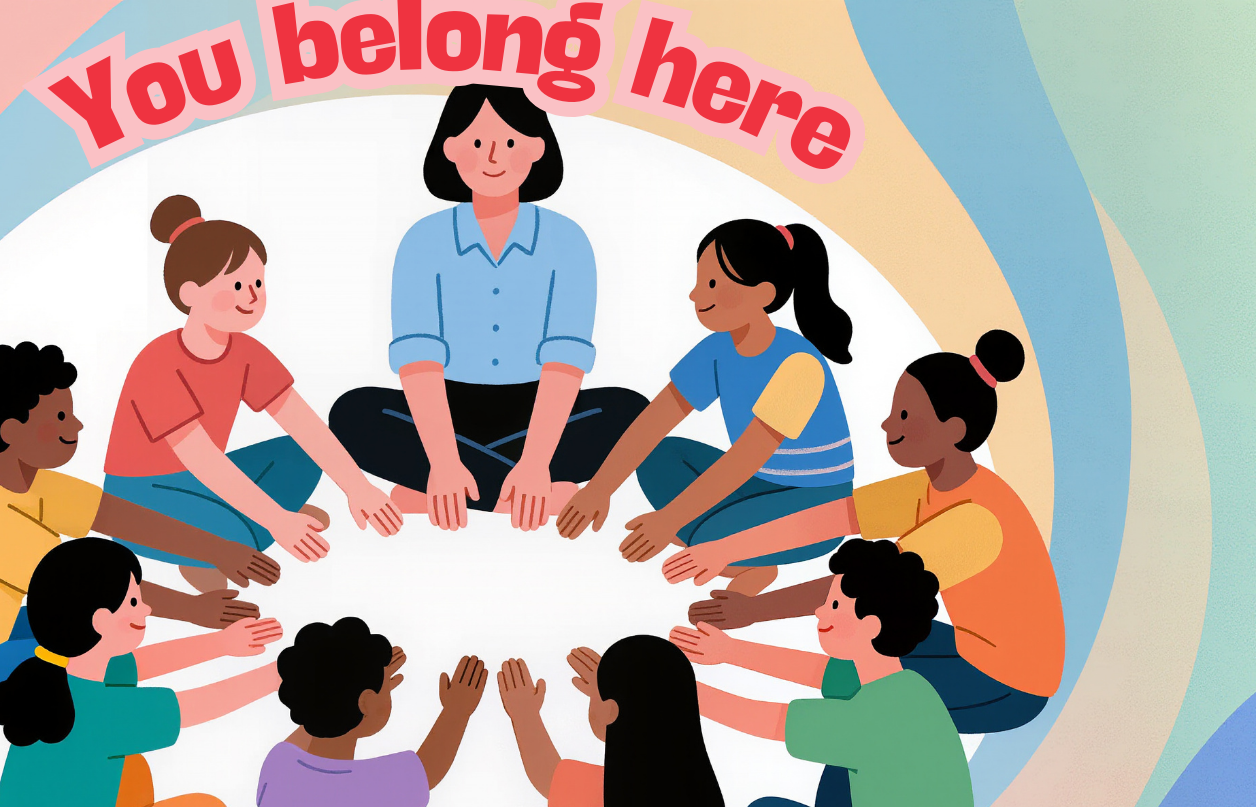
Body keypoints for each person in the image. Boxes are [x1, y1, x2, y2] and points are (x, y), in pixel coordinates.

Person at [669, 330, 1062, 733]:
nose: (888, 423)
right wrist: (722, 549)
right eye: (895, 410)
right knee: (858, 653)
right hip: (971, 647)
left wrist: (752, 614)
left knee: (856, 678)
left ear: (954, 430)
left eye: (906, 416)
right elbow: (827, 519)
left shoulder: (977, 520)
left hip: (1010, 687)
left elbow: (861, 590)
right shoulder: (936, 484)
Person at [0, 342, 281, 723]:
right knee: (99, 656)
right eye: (62, 416)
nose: (77, 426)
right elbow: (88, 593)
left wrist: (220, 550)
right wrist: (193, 610)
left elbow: (129, 520)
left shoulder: (34, 485)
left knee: (100, 633)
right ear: (12, 431)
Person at [329, 84, 648, 532]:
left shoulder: (567, 239)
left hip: (540, 410)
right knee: (352, 414)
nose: (493, 158)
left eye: (510, 143)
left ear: (536, 149)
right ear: (452, 150)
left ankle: (433, 495)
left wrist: (536, 462)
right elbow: (419, 359)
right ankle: (514, 496)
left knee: (632, 414)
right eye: (478, 143)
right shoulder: (424, 239)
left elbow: (565, 359)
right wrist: (441, 462)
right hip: (445, 407)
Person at [103, 196, 403, 588]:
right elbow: (202, 459)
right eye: (237, 284)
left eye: (258, 282)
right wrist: (278, 519)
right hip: (141, 496)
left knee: (303, 453)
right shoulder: (157, 363)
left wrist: (358, 487)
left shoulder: (245, 351)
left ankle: (242, 528)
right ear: (190, 293)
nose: (252, 295)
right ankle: (223, 543)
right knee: (237, 535)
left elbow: (302, 423)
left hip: (200, 482)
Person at [558, 219, 855, 597]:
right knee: (659, 456)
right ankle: (736, 550)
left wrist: (669, 520)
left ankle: (738, 558)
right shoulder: (717, 348)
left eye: (713, 284)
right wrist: (599, 489)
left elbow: (745, 458)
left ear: (763, 293)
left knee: (709, 535)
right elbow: (656, 419)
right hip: (759, 484)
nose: (696, 295)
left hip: (817, 503)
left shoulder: (799, 364)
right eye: (700, 280)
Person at [669, 539, 974, 807]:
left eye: (833, 605)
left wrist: (676, 689)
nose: (818, 612)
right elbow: (818, 671)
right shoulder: (907, 684)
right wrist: (730, 651)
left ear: (871, 626)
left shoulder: (866, 717)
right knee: (844, 758)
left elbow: (766, 719)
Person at [0, 538, 285, 807]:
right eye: (133, 601)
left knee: (133, 768)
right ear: (100, 620)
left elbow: (143, 664)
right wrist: (280, 674)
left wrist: (222, 645)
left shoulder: (57, 669)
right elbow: (199, 705)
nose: (145, 610)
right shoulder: (99, 709)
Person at [242, 617, 487, 807]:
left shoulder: (279, 763)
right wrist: (457, 709)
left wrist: (359, 687)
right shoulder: (370, 788)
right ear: (366, 703)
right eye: (384, 690)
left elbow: (315, 713)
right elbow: (429, 767)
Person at [498, 637, 729, 807]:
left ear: (610, 711)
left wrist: (524, 714)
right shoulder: (699, 796)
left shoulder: (611, 794)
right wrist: (616, 686)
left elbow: (547, 776)